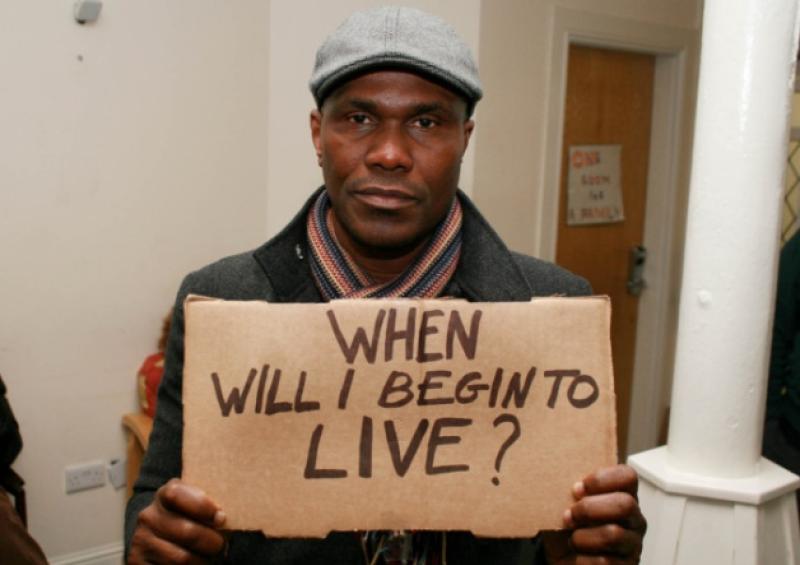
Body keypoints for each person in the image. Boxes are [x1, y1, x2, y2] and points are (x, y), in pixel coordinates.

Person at [125, 6, 646, 564]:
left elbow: (568, 520)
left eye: (426, 123)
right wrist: (157, 540)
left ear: (464, 138)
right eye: (357, 119)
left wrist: (589, 547)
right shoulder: (222, 299)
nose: (390, 154)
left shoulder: (555, 306)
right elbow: (154, 495)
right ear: (317, 133)